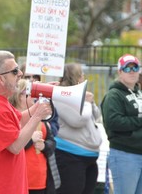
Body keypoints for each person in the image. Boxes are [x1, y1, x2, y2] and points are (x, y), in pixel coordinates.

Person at [0, 50, 52, 194]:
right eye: (14, 71)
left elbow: (17, 119)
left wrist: (38, 105)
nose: (20, 74)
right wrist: (37, 116)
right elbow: (15, 146)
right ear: (1, 79)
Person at [54, 63, 102, 194]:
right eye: (81, 74)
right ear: (75, 78)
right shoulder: (60, 96)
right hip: (70, 156)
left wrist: (91, 102)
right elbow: (77, 120)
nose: (84, 77)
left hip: (89, 157)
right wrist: (86, 103)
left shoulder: (80, 95)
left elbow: (96, 116)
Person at [8, 79, 59, 194]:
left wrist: (44, 146)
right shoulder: (12, 117)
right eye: (30, 92)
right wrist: (31, 140)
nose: (34, 96)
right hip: (22, 180)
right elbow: (13, 147)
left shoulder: (40, 116)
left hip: (42, 180)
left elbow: (52, 142)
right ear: (19, 96)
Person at [101, 54, 142, 194]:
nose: (131, 71)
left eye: (135, 67)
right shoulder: (114, 95)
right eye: (127, 68)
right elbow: (113, 121)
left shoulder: (139, 93)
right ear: (120, 71)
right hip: (125, 154)